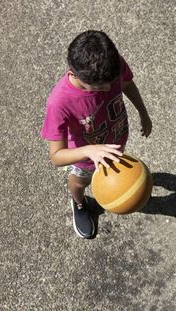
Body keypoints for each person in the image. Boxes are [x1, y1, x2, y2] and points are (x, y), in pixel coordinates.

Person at [40, 30, 152, 239]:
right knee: (80, 181)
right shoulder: (60, 102)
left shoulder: (112, 66)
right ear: (74, 74)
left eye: (111, 82)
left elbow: (127, 84)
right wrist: (90, 151)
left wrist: (143, 113)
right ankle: (79, 203)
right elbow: (56, 157)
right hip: (85, 157)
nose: (110, 87)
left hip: (115, 141)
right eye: (100, 87)